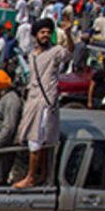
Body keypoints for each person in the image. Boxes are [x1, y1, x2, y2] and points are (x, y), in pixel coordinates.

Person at [14, 17, 73, 188]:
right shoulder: (32, 55)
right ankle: (42, 174)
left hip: (45, 102)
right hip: (33, 100)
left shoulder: (55, 52)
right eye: (42, 32)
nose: (46, 35)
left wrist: (68, 34)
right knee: (40, 140)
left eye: (48, 32)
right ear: (36, 35)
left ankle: (32, 177)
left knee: (37, 139)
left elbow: (69, 53)